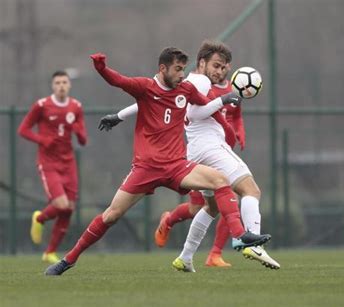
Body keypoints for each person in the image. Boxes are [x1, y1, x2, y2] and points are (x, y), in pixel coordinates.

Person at [45, 47, 270, 276]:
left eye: (183, 69)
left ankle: (239, 235)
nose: (182, 74)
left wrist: (224, 107)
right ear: (162, 69)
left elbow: (202, 107)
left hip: (176, 166)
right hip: (146, 169)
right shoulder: (145, 87)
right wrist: (102, 68)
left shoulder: (186, 89)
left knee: (220, 180)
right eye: (177, 69)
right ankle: (68, 260)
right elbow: (118, 81)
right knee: (111, 215)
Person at [99, 40, 279, 270]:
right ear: (202, 62)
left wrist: (118, 116)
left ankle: (185, 258)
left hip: (193, 150)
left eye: (224, 68)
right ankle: (250, 240)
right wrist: (222, 101)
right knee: (251, 190)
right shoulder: (201, 81)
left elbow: (149, 100)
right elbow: (195, 113)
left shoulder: (185, 82)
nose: (220, 71)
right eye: (216, 65)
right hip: (210, 146)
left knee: (211, 207)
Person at [18, 70, 87, 264]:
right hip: (48, 163)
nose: (61, 86)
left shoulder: (76, 107)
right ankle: (40, 218)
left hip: (69, 162)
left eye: (64, 82)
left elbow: (83, 140)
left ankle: (49, 252)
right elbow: (23, 129)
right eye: (58, 83)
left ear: (69, 85)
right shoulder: (42, 105)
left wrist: (78, 131)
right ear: (52, 85)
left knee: (69, 209)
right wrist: (42, 140)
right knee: (61, 204)